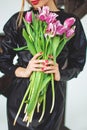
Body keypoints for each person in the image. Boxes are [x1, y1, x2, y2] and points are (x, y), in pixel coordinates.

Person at [0, 0, 86, 130]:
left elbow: (78, 63)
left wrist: (60, 74)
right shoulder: (20, 19)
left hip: (52, 100)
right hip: (20, 100)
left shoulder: (70, 22)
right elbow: (3, 60)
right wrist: (24, 71)